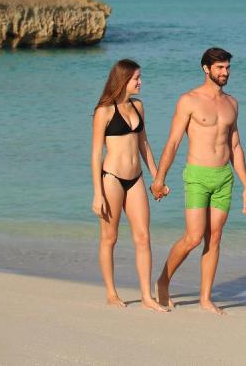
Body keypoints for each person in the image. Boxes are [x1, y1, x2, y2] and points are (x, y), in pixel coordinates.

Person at [150, 47, 246, 314]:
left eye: (227, 68)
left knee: (215, 237)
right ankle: (163, 280)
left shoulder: (232, 103)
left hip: (224, 178)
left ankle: (206, 298)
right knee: (194, 237)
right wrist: (159, 179)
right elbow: (173, 142)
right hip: (197, 175)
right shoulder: (189, 100)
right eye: (220, 68)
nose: (225, 73)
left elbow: (236, 146)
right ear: (205, 69)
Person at [90, 58, 168, 311]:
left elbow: (144, 144)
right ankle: (111, 293)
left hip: (136, 179)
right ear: (124, 80)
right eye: (136, 78)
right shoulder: (104, 111)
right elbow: (95, 155)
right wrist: (97, 194)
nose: (140, 82)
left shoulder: (138, 107)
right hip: (111, 178)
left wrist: (157, 178)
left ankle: (146, 296)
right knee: (109, 238)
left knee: (143, 237)